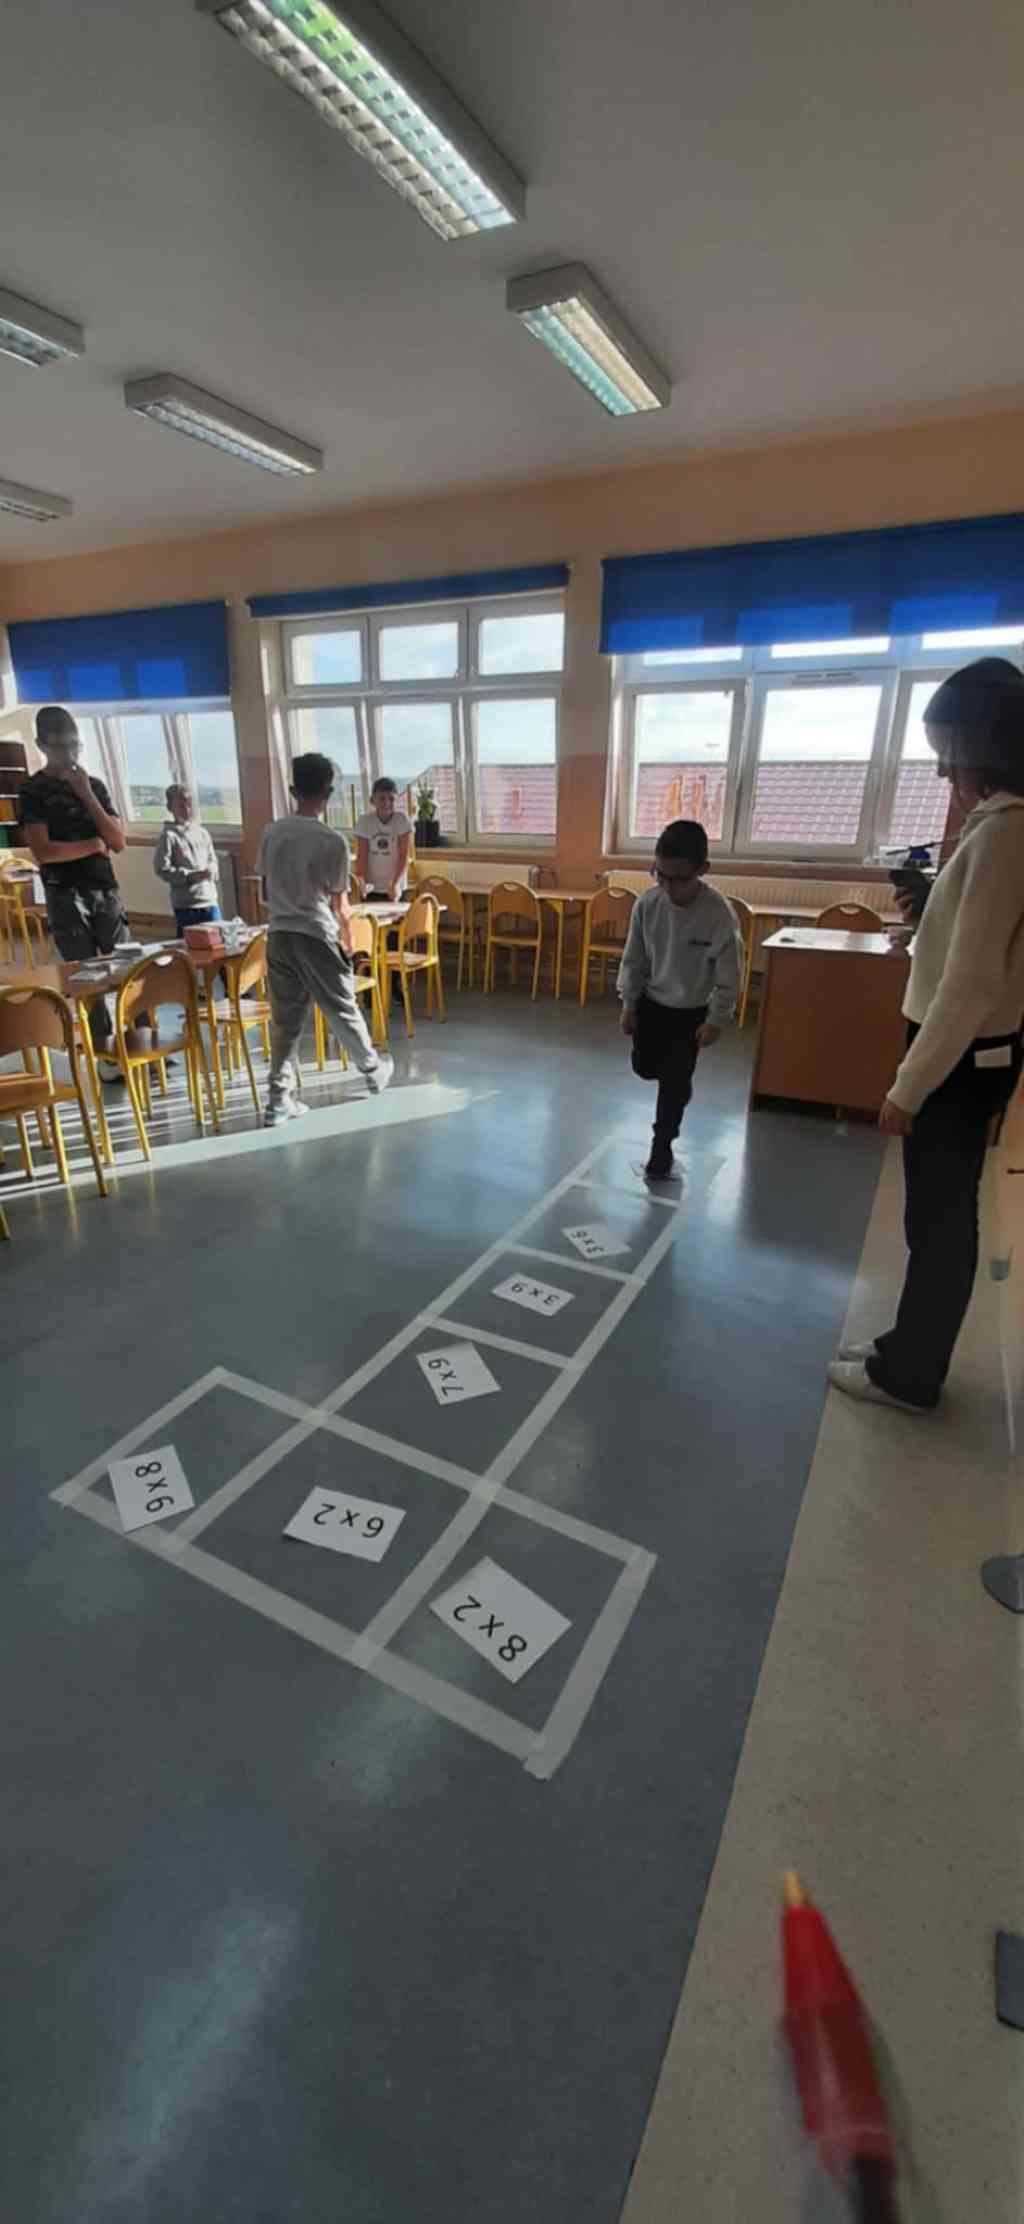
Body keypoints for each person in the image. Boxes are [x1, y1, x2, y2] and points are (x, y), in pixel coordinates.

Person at [829, 656, 1024, 1412]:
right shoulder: (994, 824)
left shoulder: (1007, 832)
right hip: (965, 1053)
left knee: (940, 1221)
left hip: (962, 1060)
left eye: (948, 751)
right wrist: (925, 927)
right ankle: (906, 1346)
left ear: (987, 744)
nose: (943, 770)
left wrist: (908, 1088)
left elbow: (973, 985)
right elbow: (976, 946)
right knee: (932, 1217)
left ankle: (910, 1377)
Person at [258, 752, 392, 1127]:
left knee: (285, 1020)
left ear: (292, 790)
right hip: (315, 933)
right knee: (341, 1005)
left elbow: (264, 893)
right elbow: (340, 905)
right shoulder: (332, 841)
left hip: (278, 934)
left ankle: (278, 1100)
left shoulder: (271, 833)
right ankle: (372, 1069)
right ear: (330, 793)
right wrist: (347, 940)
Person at [617, 818, 742, 1181]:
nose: (669, 886)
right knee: (644, 1067)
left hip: (690, 1013)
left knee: (673, 1083)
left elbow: (730, 975)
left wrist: (716, 1020)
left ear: (703, 870)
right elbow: (634, 959)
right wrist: (628, 1003)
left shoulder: (719, 915)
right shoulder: (648, 904)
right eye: (660, 875)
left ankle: (662, 1146)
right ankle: (675, 1080)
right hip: (651, 1004)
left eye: (679, 878)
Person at [19, 704, 128, 1058]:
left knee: (125, 964)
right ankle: (104, 1053)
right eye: (60, 746)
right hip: (64, 893)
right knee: (85, 976)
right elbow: (44, 852)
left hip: (104, 889)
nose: (69, 754)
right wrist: (92, 845)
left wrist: (86, 795)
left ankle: (139, 1039)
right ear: (42, 745)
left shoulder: (93, 785)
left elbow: (117, 840)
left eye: (74, 745)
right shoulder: (33, 791)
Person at [153, 784, 221, 938]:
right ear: (170, 808)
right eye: (181, 806)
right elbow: (161, 869)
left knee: (216, 942)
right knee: (190, 945)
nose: (187, 810)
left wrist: (211, 869)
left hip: (209, 901)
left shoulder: (202, 833)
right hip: (186, 905)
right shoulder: (168, 836)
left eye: (189, 805)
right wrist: (190, 876)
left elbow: (212, 859)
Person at [355, 777, 412, 901]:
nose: (387, 803)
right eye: (382, 799)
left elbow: (403, 856)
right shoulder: (365, 821)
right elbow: (362, 856)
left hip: (396, 887)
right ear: (372, 800)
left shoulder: (402, 820)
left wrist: (395, 883)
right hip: (372, 887)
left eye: (391, 799)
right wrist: (361, 881)